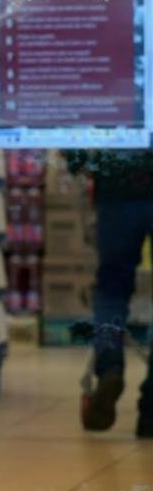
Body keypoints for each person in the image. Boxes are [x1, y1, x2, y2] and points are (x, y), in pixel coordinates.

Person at [70, 149, 153, 438]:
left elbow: (78, 121)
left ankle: (109, 367)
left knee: (111, 289)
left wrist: (80, 162)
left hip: (117, 192)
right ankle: (151, 410)